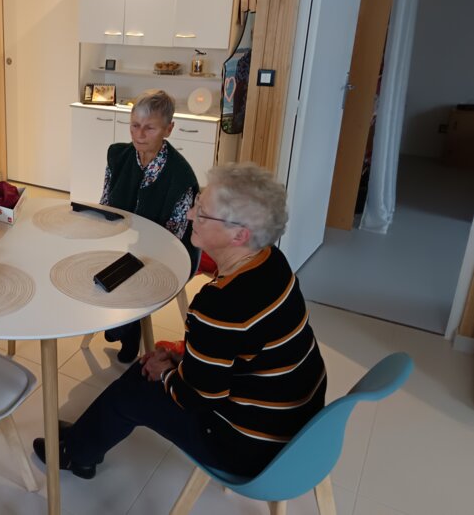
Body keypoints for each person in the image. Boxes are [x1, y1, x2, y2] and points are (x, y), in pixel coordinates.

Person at [34, 162, 327, 479]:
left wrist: (165, 373)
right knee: (153, 367)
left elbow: (196, 398)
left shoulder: (220, 305)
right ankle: (84, 440)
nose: (190, 216)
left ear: (240, 235)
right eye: (196, 204)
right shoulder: (273, 261)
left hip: (250, 446)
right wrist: (182, 360)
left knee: (139, 381)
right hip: (299, 421)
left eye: (202, 213)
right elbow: (238, 350)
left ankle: (76, 453)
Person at [99, 89, 199, 362]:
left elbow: (174, 237)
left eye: (149, 128)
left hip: (169, 250)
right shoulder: (118, 156)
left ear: (168, 129)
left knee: (129, 273)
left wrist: (133, 251)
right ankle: (120, 323)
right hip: (123, 238)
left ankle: (125, 327)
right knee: (90, 262)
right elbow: (106, 203)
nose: (139, 134)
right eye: (134, 125)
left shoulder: (180, 175)